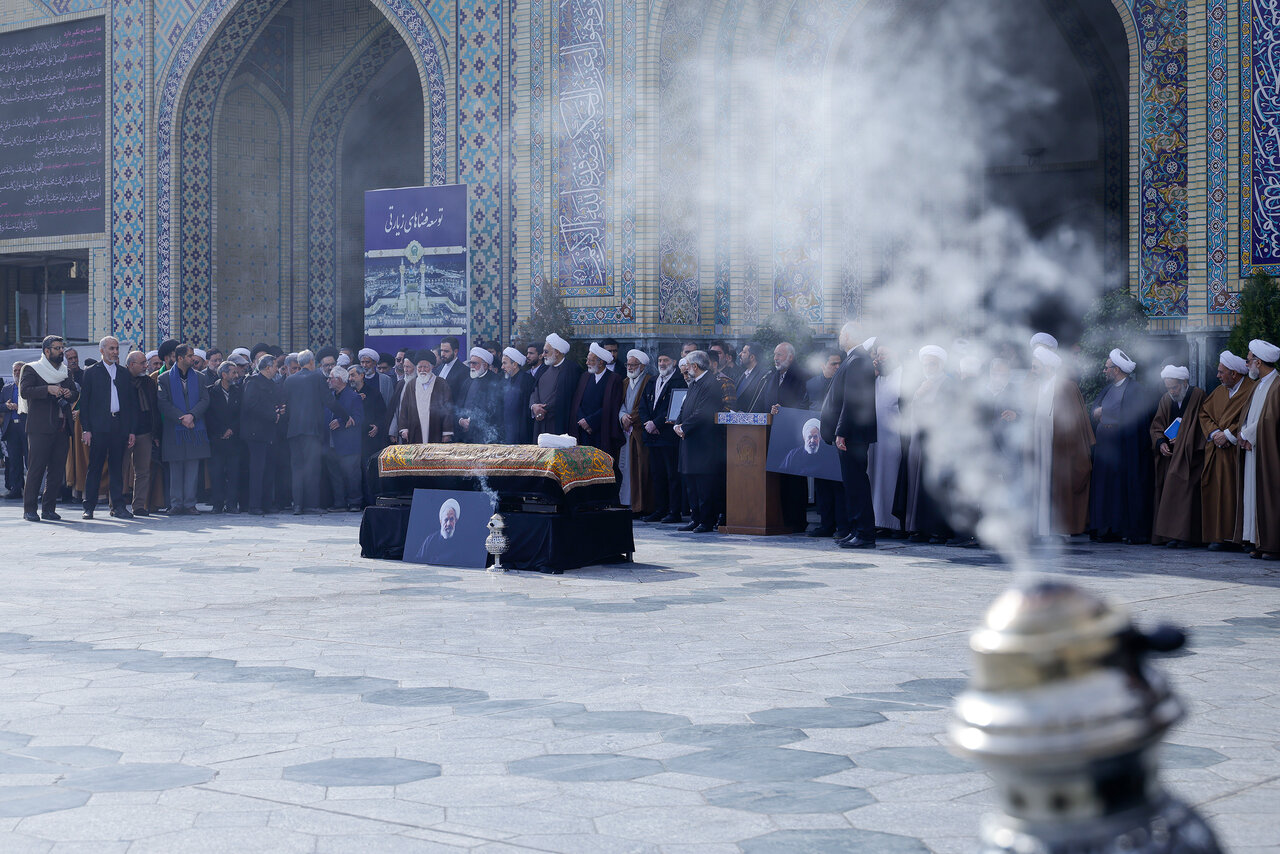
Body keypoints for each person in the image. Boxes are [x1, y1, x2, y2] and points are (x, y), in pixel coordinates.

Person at [819, 323, 878, 549]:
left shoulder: (858, 359)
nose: (840, 337)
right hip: (851, 433)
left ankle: (864, 533)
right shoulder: (853, 358)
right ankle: (855, 530)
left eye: (843, 333)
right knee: (851, 484)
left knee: (856, 484)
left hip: (853, 434)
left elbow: (852, 400)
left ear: (851, 335)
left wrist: (841, 431)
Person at [1089, 348, 1156, 544]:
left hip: (1125, 450)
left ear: (1116, 370)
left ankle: (1127, 530)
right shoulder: (1107, 389)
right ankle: (1107, 529)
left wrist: (1106, 412)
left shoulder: (1135, 389)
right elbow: (1094, 410)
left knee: (1123, 491)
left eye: (1107, 368)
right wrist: (1099, 412)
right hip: (1105, 450)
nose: (1104, 371)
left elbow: (1133, 417)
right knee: (1106, 490)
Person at [1028, 347, 1094, 540]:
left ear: (1048, 367)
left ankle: (1060, 529)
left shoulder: (1067, 387)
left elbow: (1075, 421)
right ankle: (1041, 529)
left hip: (1062, 446)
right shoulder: (1037, 386)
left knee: (1061, 486)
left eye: (1036, 367)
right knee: (1041, 485)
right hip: (1040, 442)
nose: (1032, 370)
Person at [1197, 350, 1255, 551]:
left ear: (1234, 373)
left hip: (1240, 452)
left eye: (1221, 372)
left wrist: (1229, 435)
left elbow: (1253, 418)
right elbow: (1204, 414)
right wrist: (1215, 433)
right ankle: (1219, 536)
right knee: (1217, 493)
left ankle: (1242, 538)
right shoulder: (1219, 391)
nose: (1218, 376)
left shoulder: (1251, 389)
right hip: (1217, 451)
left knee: (1239, 494)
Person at [897, 345, 953, 544]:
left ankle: (937, 530)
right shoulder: (919, 384)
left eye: (933, 364)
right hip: (918, 440)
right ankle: (918, 527)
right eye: (926, 364)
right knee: (917, 484)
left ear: (941, 365)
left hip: (938, 443)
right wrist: (918, 395)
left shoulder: (948, 384)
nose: (929, 368)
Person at [20, 336, 79, 522]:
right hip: (40, 428)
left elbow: (75, 393)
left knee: (56, 470)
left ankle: (49, 509)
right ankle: (29, 509)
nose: (61, 351)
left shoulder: (65, 371)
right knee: (36, 469)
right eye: (57, 348)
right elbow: (25, 391)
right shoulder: (32, 369)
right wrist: (47, 389)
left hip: (62, 427)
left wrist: (69, 393)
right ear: (46, 351)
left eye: (62, 348)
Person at [78, 336, 137, 520]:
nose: (115, 352)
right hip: (98, 427)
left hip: (119, 425)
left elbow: (130, 404)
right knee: (95, 467)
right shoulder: (91, 372)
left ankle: (118, 506)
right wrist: (86, 429)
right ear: (102, 350)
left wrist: (131, 430)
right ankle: (89, 507)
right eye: (111, 348)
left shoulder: (124, 373)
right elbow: (84, 404)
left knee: (116, 467)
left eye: (116, 348)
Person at [1149, 366, 1206, 547]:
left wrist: (1182, 440)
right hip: (1170, 456)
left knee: (1187, 494)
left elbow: (1201, 425)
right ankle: (1169, 535)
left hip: (1191, 457)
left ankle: (1186, 536)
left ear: (1184, 383)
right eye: (1169, 388)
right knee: (1168, 492)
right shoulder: (1166, 399)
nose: (1172, 392)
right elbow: (1157, 426)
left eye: (1174, 387)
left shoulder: (1198, 396)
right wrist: (1161, 443)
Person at [674, 351, 726, 532]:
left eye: (688, 365)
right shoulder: (695, 383)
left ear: (695, 366)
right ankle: (695, 518)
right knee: (691, 483)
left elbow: (704, 412)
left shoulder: (711, 383)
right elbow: (684, 407)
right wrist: (677, 424)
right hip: (689, 440)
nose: (686, 369)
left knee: (704, 484)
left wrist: (684, 427)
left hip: (704, 443)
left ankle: (706, 520)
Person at [156, 344, 211, 516]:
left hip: (195, 428)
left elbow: (205, 400)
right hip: (175, 429)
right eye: (189, 356)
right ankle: (176, 503)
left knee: (193, 467)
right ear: (179, 358)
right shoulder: (164, 379)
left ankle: (190, 503)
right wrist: (182, 418)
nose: (193, 359)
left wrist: (192, 416)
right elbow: (163, 403)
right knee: (176, 468)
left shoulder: (200, 378)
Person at [1239, 339, 1280, 560]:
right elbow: (1250, 415)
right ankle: (1256, 540)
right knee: (1254, 495)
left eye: (1248, 360)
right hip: (1253, 448)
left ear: (1259, 362)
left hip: (1268, 450)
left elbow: (1270, 418)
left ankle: (1272, 544)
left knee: (1269, 495)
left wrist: (1248, 434)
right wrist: (1243, 433)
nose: (1247, 365)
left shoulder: (1277, 385)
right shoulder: (1259, 384)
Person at [639, 348, 686, 523]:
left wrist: (656, 423)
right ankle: (660, 509)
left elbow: (674, 407)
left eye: (666, 360)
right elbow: (643, 404)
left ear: (674, 362)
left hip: (668, 435)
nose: (662, 364)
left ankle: (674, 511)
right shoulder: (653, 380)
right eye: (660, 360)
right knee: (657, 474)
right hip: (652, 435)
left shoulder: (679, 381)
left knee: (672, 475)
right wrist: (647, 423)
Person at [806, 350, 847, 537]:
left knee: (839, 485)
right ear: (823, 365)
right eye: (833, 364)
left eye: (839, 364)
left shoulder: (845, 383)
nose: (837, 367)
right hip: (819, 441)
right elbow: (802, 407)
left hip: (838, 439)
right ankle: (826, 525)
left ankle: (843, 526)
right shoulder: (811, 384)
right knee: (822, 485)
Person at [284, 349, 329, 515]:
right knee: (312, 468)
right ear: (311, 362)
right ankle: (312, 504)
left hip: (294, 431)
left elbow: (286, 406)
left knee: (296, 469)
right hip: (312, 431)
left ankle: (297, 505)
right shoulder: (317, 377)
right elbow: (329, 401)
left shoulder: (289, 380)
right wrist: (346, 416)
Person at [867, 340, 904, 537]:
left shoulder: (903, 376)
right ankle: (878, 521)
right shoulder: (876, 377)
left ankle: (895, 524)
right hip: (875, 438)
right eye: (878, 355)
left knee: (891, 479)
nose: (880, 358)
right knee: (875, 479)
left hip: (894, 439)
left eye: (884, 354)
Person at [241, 354, 284, 516]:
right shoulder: (253, 383)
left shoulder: (272, 384)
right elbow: (250, 405)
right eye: (275, 366)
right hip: (256, 433)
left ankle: (267, 503)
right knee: (257, 470)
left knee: (269, 469)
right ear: (267, 367)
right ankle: (254, 505)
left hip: (270, 433)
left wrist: (280, 410)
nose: (276, 369)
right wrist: (273, 415)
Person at [570, 342, 625, 458]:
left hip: (602, 430)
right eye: (587, 359)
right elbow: (577, 402)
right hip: (583, 429)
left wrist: (590, 422)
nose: (587, 363)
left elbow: (611, 406)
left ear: (600, 363)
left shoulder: (614, 379)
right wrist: (583, 421)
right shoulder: (585, 376)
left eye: (590, 360)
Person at [322, 366, 363, 512]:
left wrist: (341, 421)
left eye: (330, 378)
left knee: (352, 475)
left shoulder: (354, 397)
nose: (328, 381)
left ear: (339, 379)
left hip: (348, 444)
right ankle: (339, 503)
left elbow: (359, 418)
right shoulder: (330, 396)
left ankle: (355, 502)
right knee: (335, 475)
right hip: (331, 443)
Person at [205, 362, 243, 514]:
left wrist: (231, 429)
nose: (236, 375)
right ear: (224, 375)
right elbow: (208, 416)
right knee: (216, 473)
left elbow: (241, 414)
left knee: (234, 473)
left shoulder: (239, 391)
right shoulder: (210, 392)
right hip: (217, 439)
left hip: (234, 440)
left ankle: (232, 503)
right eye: (233, 373)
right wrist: (221, 430)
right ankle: (217, 504)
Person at [618, 349, 652, 513]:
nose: (630, 367)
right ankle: (627, 503)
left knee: (641, 468)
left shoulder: (648, 381)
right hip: (626, 431)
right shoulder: (625, 382)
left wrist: (631, 419)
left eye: (633, 365)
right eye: (628, 364)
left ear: (642, 366)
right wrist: (623, 416)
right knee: (626, 468)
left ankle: (640, 506)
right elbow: (620, 404)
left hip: (639, 431)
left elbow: (645, 406)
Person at [349, 361, 386, 507]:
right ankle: (356, 502)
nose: (351, 379)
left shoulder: (374, 393)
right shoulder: (348, 394)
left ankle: (370, 503)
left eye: (353, 375)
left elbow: (382, 414)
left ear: (362, 376)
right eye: (349, 376)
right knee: (354, 472)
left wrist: (378, 426)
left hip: (369, 439)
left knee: (368, 471)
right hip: (353, 439)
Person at [398, 350, 455, 444]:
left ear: (432, 367)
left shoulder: (441, 383)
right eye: (420, 367)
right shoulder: (411, 385)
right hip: (415, 431)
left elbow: (448, 409)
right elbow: (404, 408)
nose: (422, 370)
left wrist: (447, 433)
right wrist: (404, 428)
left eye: (425, 367)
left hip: (436, 430)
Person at [529, 333, 581, 436]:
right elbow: (534, 390)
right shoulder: (544, 369)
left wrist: (542, 409)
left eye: (546, 351)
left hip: (557, 422)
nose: (543, 355)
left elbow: (562, 396)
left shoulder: (571, 369)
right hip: (540, 421)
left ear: (557, 352)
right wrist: (534, 406)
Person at [455, 347, 502, 444]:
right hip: (466, 433)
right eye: (470, 363)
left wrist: (472, 422)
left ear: (485, 365)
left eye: (475, 363)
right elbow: (459, 404)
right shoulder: (468, 381)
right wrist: (460, 420)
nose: (471, 366)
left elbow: (493, 410)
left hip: (486, 435)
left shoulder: (495, 381)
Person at [414, 498, 470, 565]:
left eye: (451, 519)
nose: (448, 524)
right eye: (446, 520)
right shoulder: (430, 540)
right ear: (441, 521)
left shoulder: (462, 542)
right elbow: (418, 562)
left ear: (456, 520)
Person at [500, 347, 535, 445]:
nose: (502, 367)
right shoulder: (505, 381)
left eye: (505, 363)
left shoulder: (527, 380)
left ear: (515, 364)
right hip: (507, 432)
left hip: (522, 432)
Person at [3, 362, 27, 499]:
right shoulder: (7, 388)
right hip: (11, 427)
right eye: (15, 371)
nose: (17, 373)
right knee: (14, 459)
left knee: (29, 459)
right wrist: (6, 406)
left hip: (26, 426)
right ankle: (16, 489)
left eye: (19, 370)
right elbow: (0, 405)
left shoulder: (29, 387)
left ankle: (31, 489)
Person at [734, 343, 770, 413]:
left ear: (752, 357)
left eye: (744, 352)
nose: (740, 354)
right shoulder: (743, 374)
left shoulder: (764, 376)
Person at [436, 336, 469, 402]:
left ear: (455, 352)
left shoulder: (464, 371)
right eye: (441, 350)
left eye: (446, 351)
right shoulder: (438, 369)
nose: (442, 354)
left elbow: (462, 398)